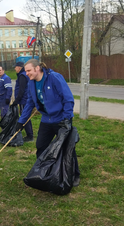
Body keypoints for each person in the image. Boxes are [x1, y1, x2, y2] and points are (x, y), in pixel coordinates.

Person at [16, 59, 80, 187]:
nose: (27, 73)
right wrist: (21, 122)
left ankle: (74, 175)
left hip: (62, 119)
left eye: (29, 70)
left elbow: (68, 99)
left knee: (67, 148)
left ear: (37, 68)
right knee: (41, 146)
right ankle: (44, 172)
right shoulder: (31, 83)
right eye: (26, 71)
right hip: (46, 120)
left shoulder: (54, 78)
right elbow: (30, 102)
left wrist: (67, 119)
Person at [11, 61, 33, 142]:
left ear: (19, 68)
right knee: (25, 116)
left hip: (24, 100)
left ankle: (30, 135)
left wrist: (17, 100)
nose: (14, 68)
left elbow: (22, 90)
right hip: (24, 99)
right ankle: (29, 134)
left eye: (15, 67)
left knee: (25, 117)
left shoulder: (22, 76)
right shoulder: (22, 75)